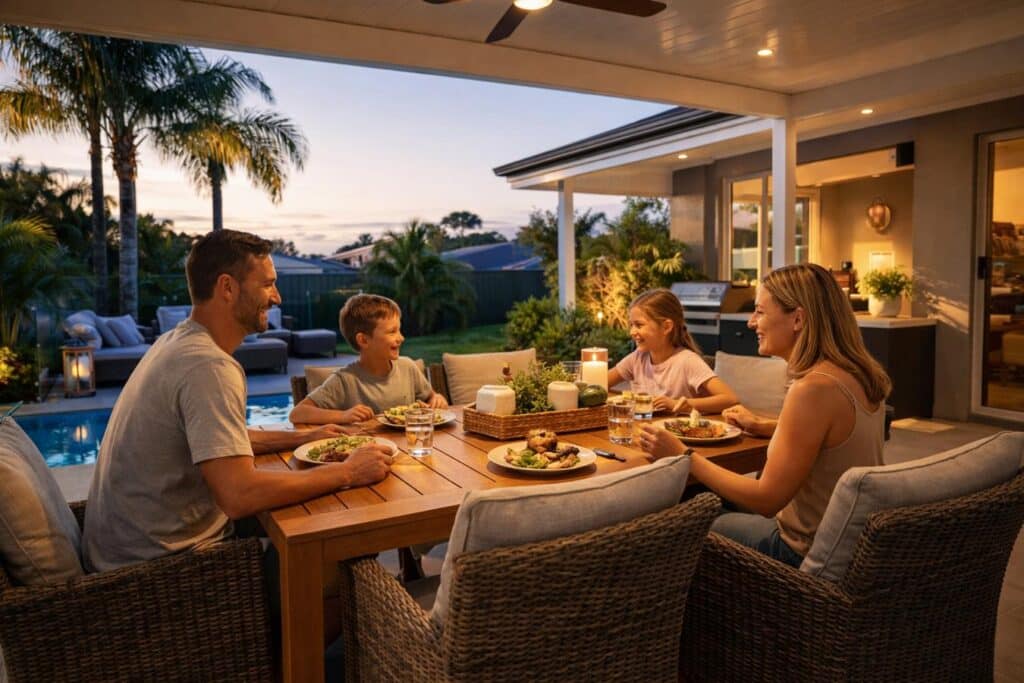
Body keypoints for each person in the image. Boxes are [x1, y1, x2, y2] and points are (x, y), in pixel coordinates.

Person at [83, 230, 393, 573]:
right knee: (345, 534)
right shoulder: (208, 365)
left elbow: (218, 441)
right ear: (227, 288)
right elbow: (239, 493)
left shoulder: (176, 342)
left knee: (324, 510)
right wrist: (348, 470)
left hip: (128, 548)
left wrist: (303, 438)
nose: (276, 298)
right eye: (267, 285)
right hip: (162, 567)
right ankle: (299, 625)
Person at [638, 264, 890, 567]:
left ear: (797, 318)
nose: (750, 322)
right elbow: (833, 441)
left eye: (759, 312)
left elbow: (766, 500)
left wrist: (683, 454)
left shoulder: (813, 389)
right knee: (698, 495)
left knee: (678, 517)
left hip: (801, 549)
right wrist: (769, 426)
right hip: (850, 540)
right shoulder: (856, 374)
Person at [288, 293, 448, 425]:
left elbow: (431, 396)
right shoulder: (345, 380)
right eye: (392, 332)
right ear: (364, 340)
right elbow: (298, 414)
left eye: (399, 330)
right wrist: (343, 416)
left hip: (410, 448)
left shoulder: (407, 367)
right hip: (366, 453)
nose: (401, 338)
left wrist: (437, 399)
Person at [608, 288, 738, 414]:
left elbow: (730, 399)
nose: (632, 332)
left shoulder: (687, 361)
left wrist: (677, 404)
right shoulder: (637, 358)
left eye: (639, 325)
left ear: (666, 327)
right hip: (644, 430)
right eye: (631, 325)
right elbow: (601, 384)